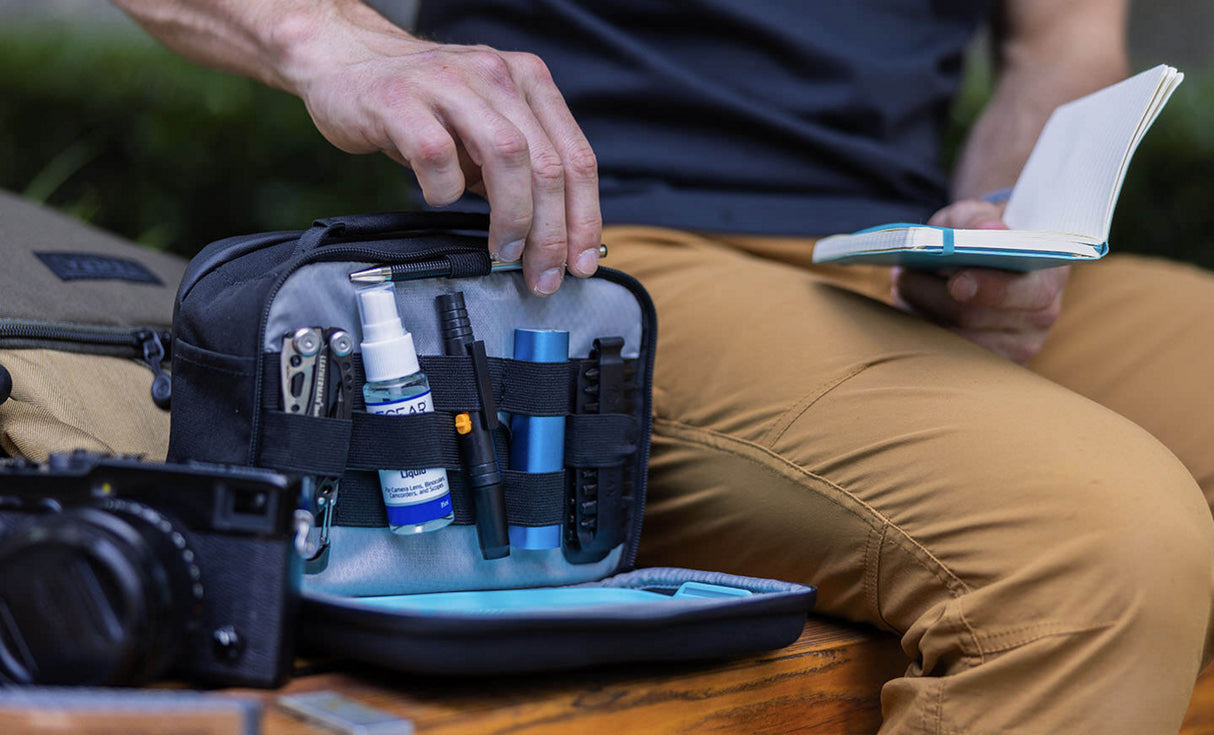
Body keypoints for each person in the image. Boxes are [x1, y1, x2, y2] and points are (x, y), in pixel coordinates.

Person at [110, 0, 1214, 731]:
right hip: (579, 268)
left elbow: (1058, 43)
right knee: (1096, 549)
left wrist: (1005, 242)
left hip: (892, 249)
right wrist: (336, 40)